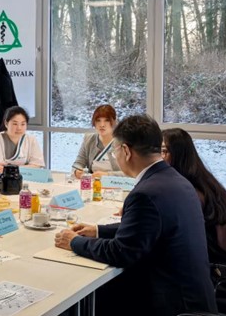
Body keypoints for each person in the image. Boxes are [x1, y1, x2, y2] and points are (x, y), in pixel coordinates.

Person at [55, 115, 217, 316]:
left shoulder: (145, 193)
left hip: (171, 304)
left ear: (125, 151)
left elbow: (121, 252)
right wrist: (98, 230)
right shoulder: (174, 179)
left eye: (114, 150)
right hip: (194, 297)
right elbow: (147, 227)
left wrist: (74, 242)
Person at [162, 128, 226, 264]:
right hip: (220, 259)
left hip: (211, 263)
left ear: (180, 154)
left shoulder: (189, 192)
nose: (158, 158)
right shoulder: (204, 181)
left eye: (164, 151)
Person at [0, 106, 44, 173]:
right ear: (6, 123)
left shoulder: (31, 140)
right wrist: (25, 168)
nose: (19, 128)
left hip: (26, 177)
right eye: (15, 124)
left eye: (23, 124)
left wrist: (11, 169)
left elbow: (37, 165)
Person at [72, 104, 122, 178]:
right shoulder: (89, 139)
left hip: (117, 184)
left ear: (114, 121)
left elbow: (132, 173)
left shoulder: (123, 142)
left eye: (107, 120)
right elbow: (78, 163)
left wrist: (107, 175)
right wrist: (76, 171)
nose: (102, 125)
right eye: (98, 120)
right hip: (94, 183)